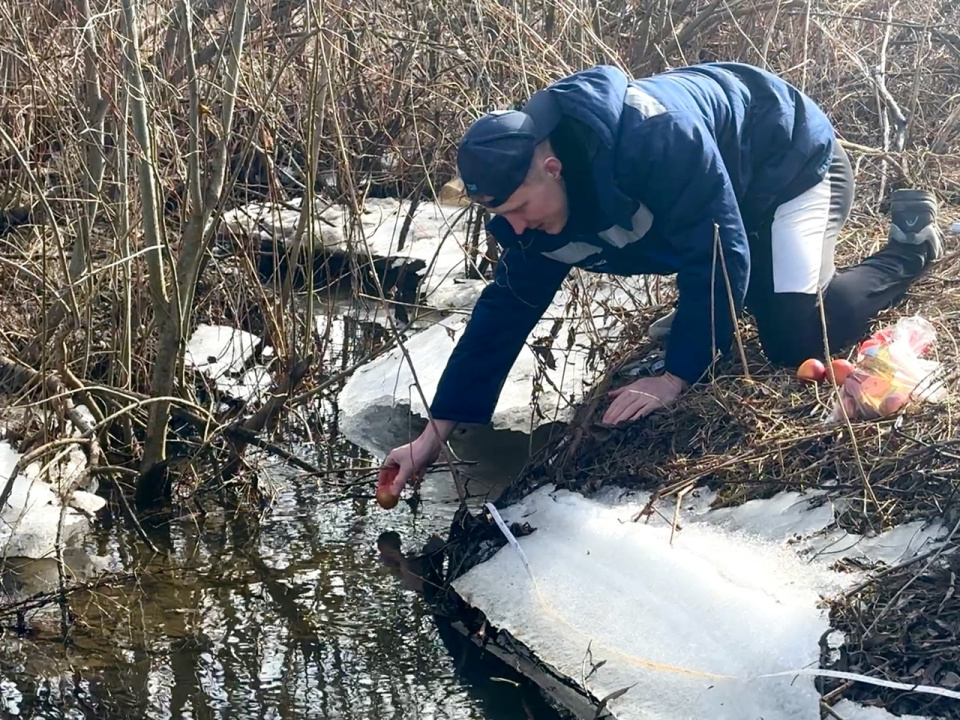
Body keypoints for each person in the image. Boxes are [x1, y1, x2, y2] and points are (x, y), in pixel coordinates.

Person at [381, 62, 944, 498]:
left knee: (795, 334)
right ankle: (745, 302)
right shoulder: (527, 214)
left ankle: (909, 248)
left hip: (786, 164)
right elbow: (505, 312)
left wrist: (676, 375)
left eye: (522, 207)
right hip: (723, 190)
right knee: (730, 296)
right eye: (502, 216)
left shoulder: (655, 138)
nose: (518, 226)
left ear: (551, 168)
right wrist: (435, 432)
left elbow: (718, 249)